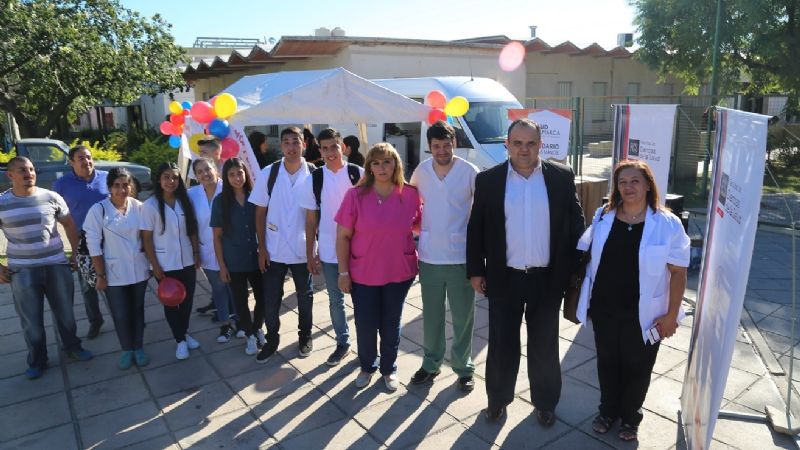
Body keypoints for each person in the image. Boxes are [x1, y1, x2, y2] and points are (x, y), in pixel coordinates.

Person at [466, 118, 584, 425]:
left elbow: (575, 224)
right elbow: (475, 228)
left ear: (540, 146)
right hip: (504, 278)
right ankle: (497, 400)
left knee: (544, 345)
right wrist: (476, 270)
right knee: (502, 343)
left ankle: (546, 403)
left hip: (547, 279)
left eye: (531, 143)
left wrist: (573, 270)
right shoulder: (489, 181)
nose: (524, 149)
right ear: (507, 145)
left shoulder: (560, 177)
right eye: (517, 143)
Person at [576, 160, 689, 442]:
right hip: (604, 308)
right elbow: (586, 252)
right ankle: (607, 412)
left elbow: (678, 273)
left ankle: (630, 418)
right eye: (622, 182)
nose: (628, 187)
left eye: (635, 181)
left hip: (648, 314)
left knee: (638, 367)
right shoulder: (604, 216)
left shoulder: (667, 223)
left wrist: (671, 315)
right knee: (607, 363)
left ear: (648, 184)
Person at [335, 143, 421, 391]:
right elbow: (342, 236)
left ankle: (389, 369)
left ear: (396, 164)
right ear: (369, 167)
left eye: (387, 161)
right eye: (376, 162)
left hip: (399, 271)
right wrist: (343, 271)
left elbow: (418, 224)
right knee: (365, 322)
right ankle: (367, 366)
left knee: (391, 322)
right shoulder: (355, 195)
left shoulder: (410, 194)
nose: (382, 167)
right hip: (364, 273)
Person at [0, 157, 93, 380]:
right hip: (22, 272)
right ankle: (37, 359)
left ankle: (72, 347)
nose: (29, 173)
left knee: (66, 314)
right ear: (10, 175)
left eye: (32, 169)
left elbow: (69, 224)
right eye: (22, 170)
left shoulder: (50, 197)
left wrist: (75, 253)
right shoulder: (2, 203)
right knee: (31, 321)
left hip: (56, 265)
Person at [409, 121, 479, 392]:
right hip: (430, 257)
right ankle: (430, 364)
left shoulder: (469, 172)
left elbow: (482, 210)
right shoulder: (422, 172)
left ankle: (463, 367)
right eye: (436, 146)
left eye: (446, 144)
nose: (441, 150)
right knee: (432, 316)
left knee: (463, 317)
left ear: (454, 144)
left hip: (461, 256)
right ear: (430, 147)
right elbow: (411, 204)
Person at [298, 128, 363, 366]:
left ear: (342, 147)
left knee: (362, 302)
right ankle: (342, 342)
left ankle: (367, 346)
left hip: (360, 251)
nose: (329, 152)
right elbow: (310, 219)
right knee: (336, 301)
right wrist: (310, 253)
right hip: (328, 250)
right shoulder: (314, 179)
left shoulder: (358, 174)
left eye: (334, 147)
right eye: (324, 148)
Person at [250, 126, 315, 363]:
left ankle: (305, 336)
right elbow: (259, 213)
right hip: (273, 248)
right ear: (281, 146)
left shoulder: (313, 173)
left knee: (305, 296)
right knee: (271, 297)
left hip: (302, 248)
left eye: (295, 141)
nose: (291, 146)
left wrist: (312, 252)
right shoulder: (270, 173)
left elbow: (315, 216)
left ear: (304, 144)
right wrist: (262, 248)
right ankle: (272, 339)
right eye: (286, 142)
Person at [83, 167, 150, 369]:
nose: (122, 189)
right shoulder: (99, 210)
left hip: (139, 269)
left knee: (138, 310)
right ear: (110, 187)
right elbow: (93, 245)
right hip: (113, 272)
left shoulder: (139, 207)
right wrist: (100, 274)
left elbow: (147, 237)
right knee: (120, 313)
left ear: (131, 186)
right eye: (117, 186)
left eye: (126, 185)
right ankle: (126, 349)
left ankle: (138, 347)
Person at [141, 162, 201, 360]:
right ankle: (180, 340)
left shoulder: (185, 200)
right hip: (165, 263)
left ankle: (183, 332)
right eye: (166, 177)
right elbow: (147, 239)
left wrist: (196, 252)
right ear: (159, 180)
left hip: (187, 261)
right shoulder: (150, 206)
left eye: (175, 177)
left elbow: (192, 229)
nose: (171, 181)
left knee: (187, 300)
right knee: (171, 302)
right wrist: (155, 266)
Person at [52, 145, 108, 339]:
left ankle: (123, 316)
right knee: (87, 287)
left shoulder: (107, 177)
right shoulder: (61, 185)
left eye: (89, 157)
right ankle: (95, 320)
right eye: (81, 159)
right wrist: (74, 251)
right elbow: (60, 219)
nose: (86, 162)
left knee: (116, 280)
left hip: (110, 238)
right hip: (83, 243)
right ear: (71, 163)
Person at [212, 157, 265, 356]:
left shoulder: (255, 197)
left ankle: (257, 327)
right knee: (240, 300)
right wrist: (222, 266)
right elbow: (216, 237)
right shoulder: (220, 202)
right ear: (226, 177)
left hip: (256, 258)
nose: (237, 178)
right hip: (234, 261)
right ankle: (250, 335)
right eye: (232, 174)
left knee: (263, 297)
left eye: (240, 173)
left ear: (246, 173)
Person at [187, 157, 240, 343]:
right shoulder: (192, 194)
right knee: (218, 288)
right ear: (195, 176)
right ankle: (225, 325)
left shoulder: (229, 188)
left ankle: (239, 321)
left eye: (207, 169)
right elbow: (191, 226)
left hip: (231, 248)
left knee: (234, 287)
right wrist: (195, 251)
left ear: (216, 169)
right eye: (199, 172)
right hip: (207, 250)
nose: (205, 174)